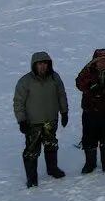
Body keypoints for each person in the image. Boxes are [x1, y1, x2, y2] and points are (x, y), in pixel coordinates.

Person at [13, 51, 69, 188]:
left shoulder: (55, 78)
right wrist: (21, 120)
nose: (43, 67)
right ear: (34, 65)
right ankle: (32, 178)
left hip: (50, 120)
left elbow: (61, 95)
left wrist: (64, 111)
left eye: (45, 64)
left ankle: (52, 169)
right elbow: (18, 102)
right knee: (32, 150)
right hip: (33, 123)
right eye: (39, 64)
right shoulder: (25, 81)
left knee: (51, 145)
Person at [75, 49, 105, 174]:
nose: (101, 63)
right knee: (89, 138)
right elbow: (78, 83)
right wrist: (90, 88)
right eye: (98, 61)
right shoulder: (88, 71)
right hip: (90, 111)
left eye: (104, 60)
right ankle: (90, 163)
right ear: (94, 62)